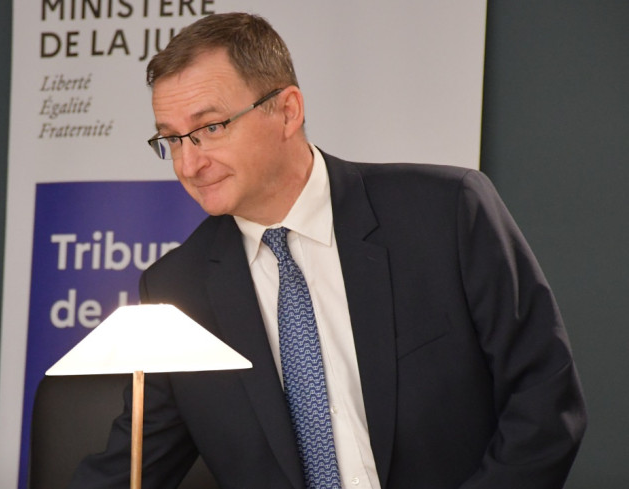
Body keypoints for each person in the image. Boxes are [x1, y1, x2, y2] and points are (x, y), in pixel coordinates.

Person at [69, 12, 586, 489]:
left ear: (287, 111)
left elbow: (544, 402)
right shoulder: (178, 288)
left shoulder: (445, 213)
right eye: (172, 139)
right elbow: (133, 464)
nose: (188, 164)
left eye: (210, 128)